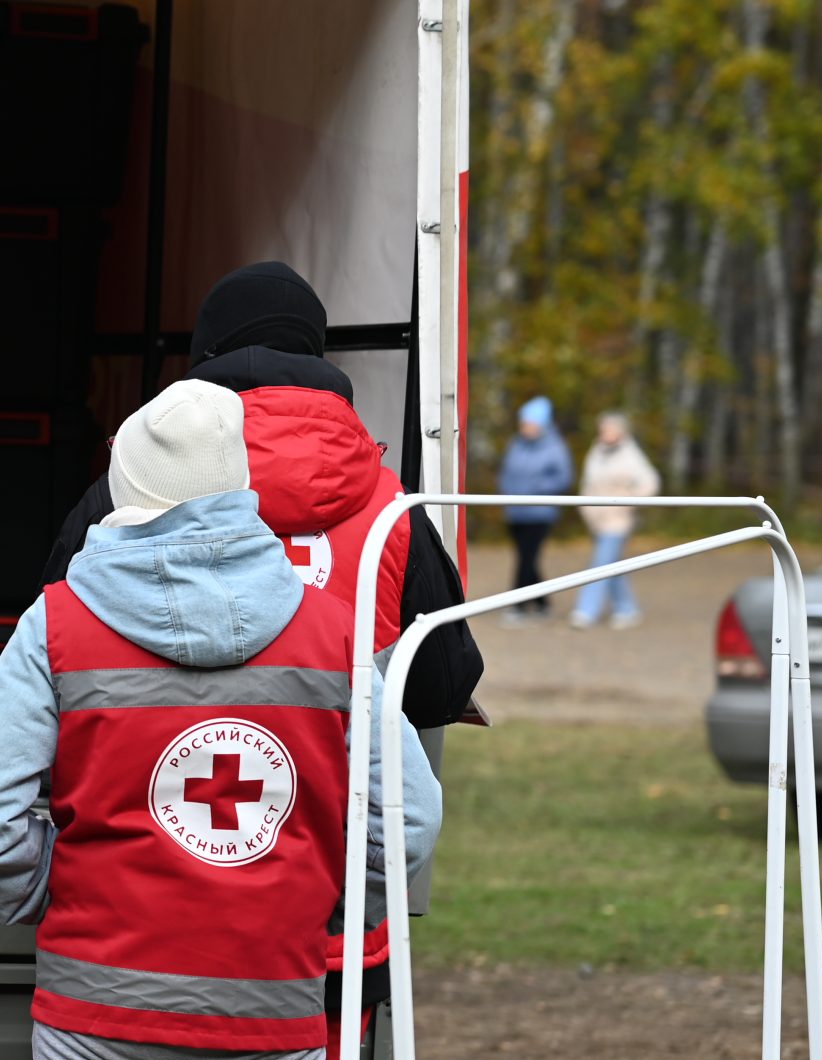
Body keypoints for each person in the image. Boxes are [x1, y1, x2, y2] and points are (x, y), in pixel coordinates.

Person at [0, 381, 440, 1060]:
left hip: (98, 1007)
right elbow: (408, 824)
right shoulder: (335, 630)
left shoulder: (58, 622)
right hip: (271, 1004)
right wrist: (321, 903)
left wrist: (50, 890)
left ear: (127, 488)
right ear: (239, 488)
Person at [42, 261, 483, 732]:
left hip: (144, 786)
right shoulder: (393, 512)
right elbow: (442, 692)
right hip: (334, 794)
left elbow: (49, 658)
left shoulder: (130, 482)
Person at [574, 411, 661, 629]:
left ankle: (586, 610)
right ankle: (627, 608)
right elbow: (588, 483)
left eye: (608, 429)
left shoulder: (631, 455)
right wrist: (585, 508)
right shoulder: (597, 452)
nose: (604, 433)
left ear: (620, 431)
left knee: (600, 563)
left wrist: (629, 503)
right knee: (612, 565)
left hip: (618, 521)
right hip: (596, 520)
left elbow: (650, 482)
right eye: (602, 429)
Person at [498, 396, 574, 616]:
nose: (525, 428)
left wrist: (535, 487)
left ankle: (518, 607)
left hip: (540, 513)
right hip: (515, 511)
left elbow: (564, 478)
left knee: (525, 560)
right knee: (527, 559)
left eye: (529, 424)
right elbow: (506, 472)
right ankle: (542, 603)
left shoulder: (555, 447)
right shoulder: (516, 444)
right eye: (523, 424)